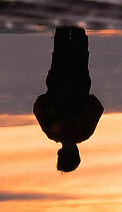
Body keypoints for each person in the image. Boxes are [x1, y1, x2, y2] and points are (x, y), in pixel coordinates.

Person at [32, 25, 103, 173]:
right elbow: (38, 105)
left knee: (78, 41)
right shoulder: (52, 132)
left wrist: (84, 99)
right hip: (57, 80)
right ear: (60, 154)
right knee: (61, 44)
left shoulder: (84, 132)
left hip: (79, 79)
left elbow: (97, 107)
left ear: (77, 153)